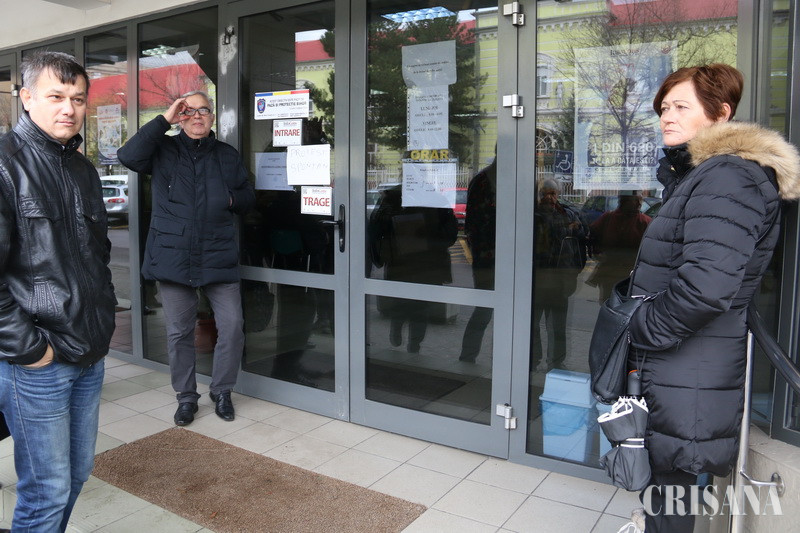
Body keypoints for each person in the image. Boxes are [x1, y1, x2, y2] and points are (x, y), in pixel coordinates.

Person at [626, 64, 800, 532]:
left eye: (681, 106)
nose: (667, 116)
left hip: (690, 367)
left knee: (673, 495)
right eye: (664, 107)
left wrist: (640, 328)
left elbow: (706, 287)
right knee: (668, 491)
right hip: (684, 365)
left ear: (721, 114)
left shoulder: (728, 177)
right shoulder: (707, 175)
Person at [0, 51, 116, 532]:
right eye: (56, 96)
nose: (69, 108)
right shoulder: (5, 166)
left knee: (77, 476)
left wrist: (103, 323)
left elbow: (97, 258)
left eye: (78, 99)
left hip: (89, 352)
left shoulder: (83, 170)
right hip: (38, 363)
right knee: (46, 491)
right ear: (26, 97)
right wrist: (30, 349)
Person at [118, 91, 255, 426]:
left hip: (218, 253)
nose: (196, 117)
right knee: (179, 332)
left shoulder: (226, 154)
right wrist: (164, 119)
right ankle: (186, 396)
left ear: (212, 116)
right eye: (188, 111)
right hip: (173, 255)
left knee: (232, 327)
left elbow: (248, 196)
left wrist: (228, 199)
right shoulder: (162, 149)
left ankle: (222, 391)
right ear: (179, 117)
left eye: (203, 110)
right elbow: (128, 156)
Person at [368, 184, 458, 353]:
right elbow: (450, 234)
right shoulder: (433, 198)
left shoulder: (393, 198)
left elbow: (375, 228)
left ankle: (408, 339)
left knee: (412, 304)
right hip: (419, 262)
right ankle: (411, 341)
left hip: (410, 261)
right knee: (418, 306)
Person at [531, 178, 588, 371]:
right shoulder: (532, 214)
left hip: (561, 280)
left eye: (552, 194)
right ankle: (532, 360)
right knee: (532, 324)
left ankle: (556, 362)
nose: (549, 197)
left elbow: (583, 238)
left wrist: (578, 228)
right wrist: (568, 228)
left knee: (557, 326)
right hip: (537, 280)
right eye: (545, 193)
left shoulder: (568, 213)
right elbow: (549, 233)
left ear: (558, 195)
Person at [459, 157, 496, 362]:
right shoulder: (483, 180)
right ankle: (468, 354)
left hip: (511, 257)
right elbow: (474, 225)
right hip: (488, 258)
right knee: (484, 307)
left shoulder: (515, 177)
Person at [587, 191, 652, 302]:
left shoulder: (644, 222)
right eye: (635, 200)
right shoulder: (608, 217)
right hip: (611, 272)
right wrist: (597, 253)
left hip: (630, 274)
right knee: (610, 302)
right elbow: (592, 235)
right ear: (624, 201)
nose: (639, 204)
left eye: (640, 200)